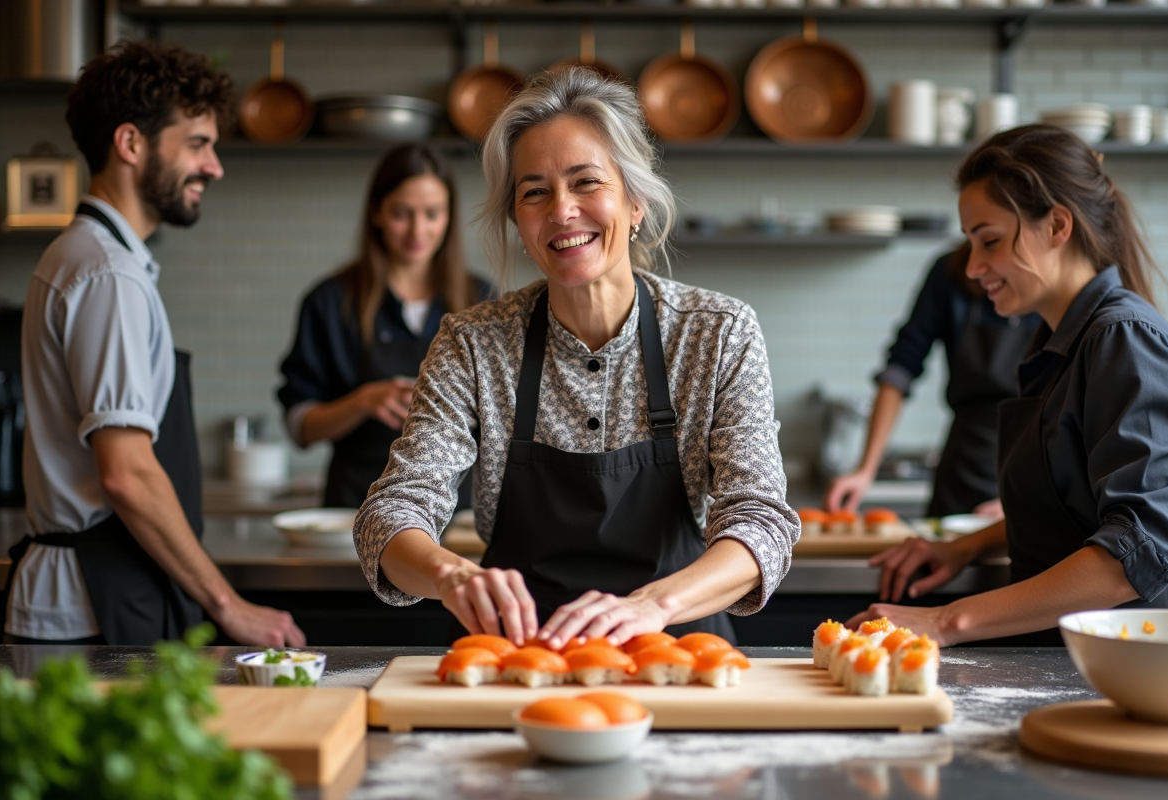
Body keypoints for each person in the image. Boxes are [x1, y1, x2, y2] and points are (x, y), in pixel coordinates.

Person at [352, 67, 800, 648]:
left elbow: (761, 520)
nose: (562, 211)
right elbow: (391, 510)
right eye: (535, 192)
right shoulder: (473, 343)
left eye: (586, 182)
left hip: (675, 646)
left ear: (636, 201)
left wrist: (654, 605)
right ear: (518, 220)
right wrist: (452, 574)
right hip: (519, 649)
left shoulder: (717, 333)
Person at [2, 41, 304, 647]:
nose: (214, 166)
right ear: (131, 144)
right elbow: (128, 475)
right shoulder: (106, 273)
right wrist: (230, 604)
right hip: (90, 605)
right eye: (197, 144)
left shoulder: (94, 259)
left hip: (103, 589)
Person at [850, 125, 1168, 644]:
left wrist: (947, 621)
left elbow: (1138, 549)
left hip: (1134, 654)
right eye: (971, 243)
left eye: (989, 240)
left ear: (1057, 225)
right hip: (1078, 646)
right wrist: (965, 547)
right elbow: (1073, 516)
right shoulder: (1060, 342)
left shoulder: (1123, 338)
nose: (973, 267)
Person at [278, 144, 492, 509]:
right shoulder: (329, 302)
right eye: (401, 214)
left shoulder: (483, 299)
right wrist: (361, 402)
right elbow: (300, 428)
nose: (417, 230)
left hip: (456, 513)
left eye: (432, 214)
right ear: (375, 213)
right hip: (355, 508)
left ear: (449, 217)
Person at [824, 242, 1040, 518]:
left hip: (1035, 472)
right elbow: (901, 367)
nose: (975, 267)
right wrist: (866, 469)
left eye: (988, 236)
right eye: (969, 232)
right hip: (964, 469)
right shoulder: (951, 271)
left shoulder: (1066, 290)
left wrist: (1029, 496)